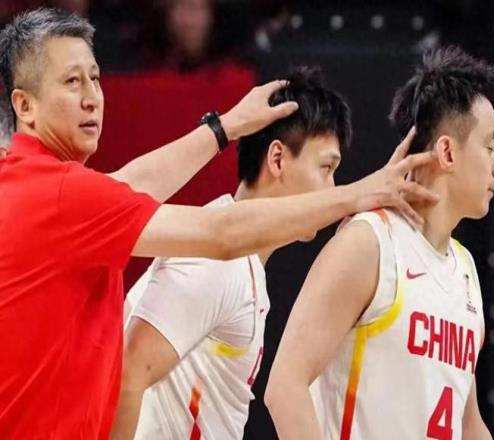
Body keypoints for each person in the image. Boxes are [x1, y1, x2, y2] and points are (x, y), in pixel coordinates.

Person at [0, 7, 439, 439]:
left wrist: (223, 127)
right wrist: (358, 194)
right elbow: (221, 236)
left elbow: (133, 184)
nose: (92, 96)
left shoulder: (37, 187)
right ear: (25, 105)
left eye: (95, 78)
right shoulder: (63, 196)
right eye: (72, 81)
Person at [265, 46, 494, 440]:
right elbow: (285, 387)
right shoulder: (370, 244)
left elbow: (468, 422)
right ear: (446, 152)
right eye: (489, 146)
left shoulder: (465, 270)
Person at [112, 66, 354, 439]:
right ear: (277, 159)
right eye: (326, 167)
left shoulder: (245, 269)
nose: (332, 188)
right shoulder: (217, 262)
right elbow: (129, 372)